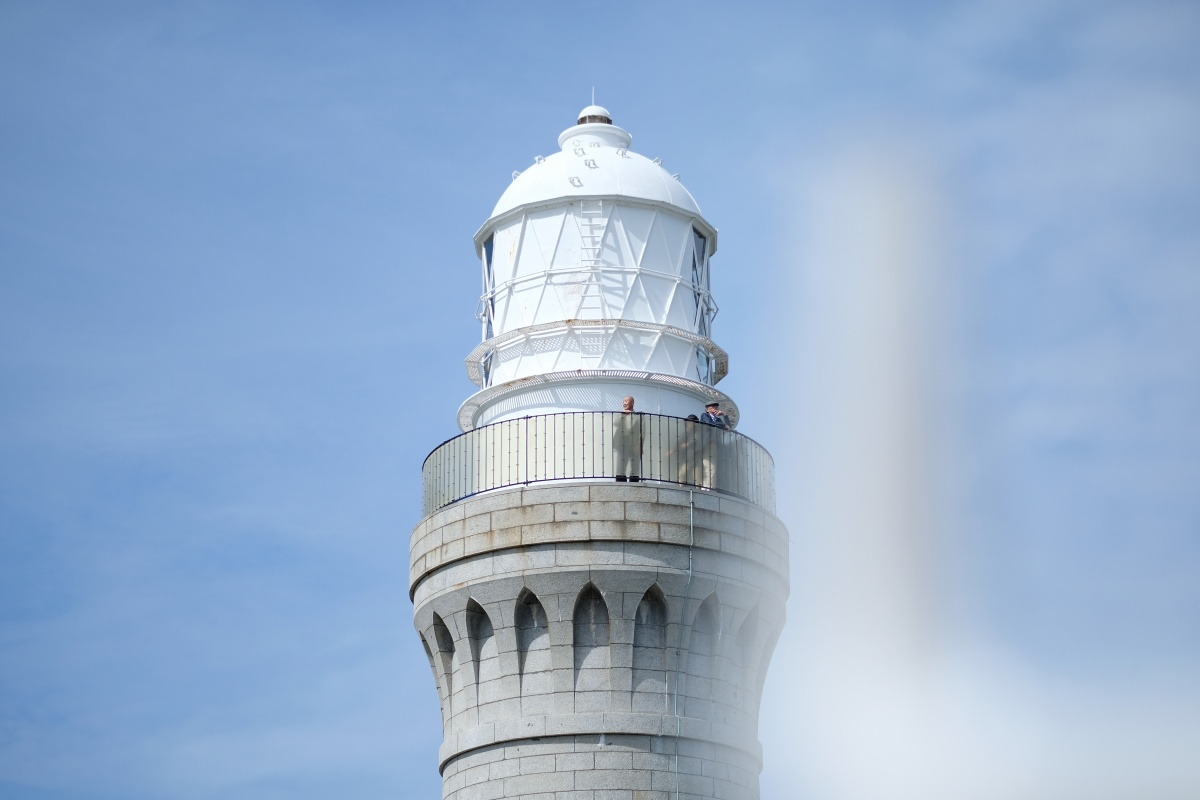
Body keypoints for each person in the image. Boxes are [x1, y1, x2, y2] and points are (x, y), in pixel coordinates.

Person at [612, 395, 643, 482]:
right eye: (623, 401)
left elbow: (643, 430)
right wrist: (623, 415)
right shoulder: (621, 415)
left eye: (626, 401)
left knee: (635, 465)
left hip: (635, 442)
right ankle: (621, 483)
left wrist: (639, 444)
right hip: (623, 443)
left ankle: (634, 483)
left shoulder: (638, 415)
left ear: (632, 403)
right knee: (621, 464)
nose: (624, 403)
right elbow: (615, 423)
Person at [699, 402, 729, 489]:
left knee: (713, 467)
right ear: (707, 409)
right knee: (707, 465)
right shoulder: (704, 415)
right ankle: (706, 487)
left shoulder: (718, 420)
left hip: (715, 444)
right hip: (707, 443)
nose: (715, 409)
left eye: (716, 407)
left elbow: (729, 428)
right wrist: (723, 425)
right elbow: (709, 424)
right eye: (712, 407)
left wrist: (725, 415)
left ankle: (710, 487)